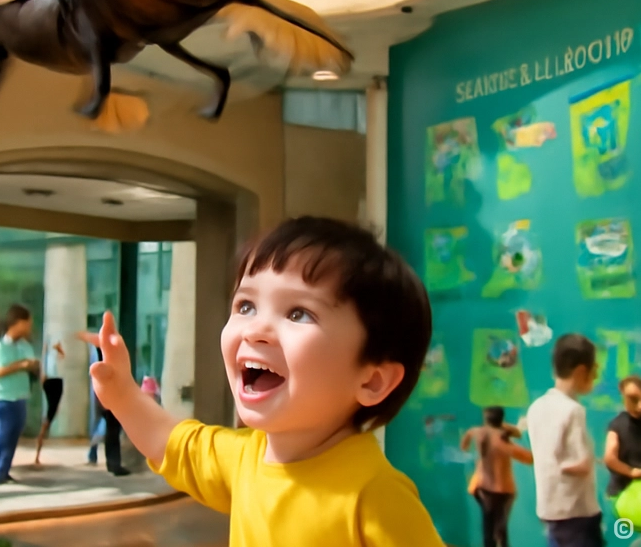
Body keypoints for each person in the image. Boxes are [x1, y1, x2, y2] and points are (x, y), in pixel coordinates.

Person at [84, 216, 445, 545]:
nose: (256, 329)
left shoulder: (375, 496)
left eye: (298, 313)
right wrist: (122, 393)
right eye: (245, 306)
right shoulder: (245, 457)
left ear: (373, 382)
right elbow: (170, 443)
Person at [526, 334, 603, 547]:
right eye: (593, 370)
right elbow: (582, 464)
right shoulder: (573, 410)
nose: (596, 376)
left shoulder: (536, 408)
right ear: (581, 371)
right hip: (578, 512)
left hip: (550, 511)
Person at [0, 304, 39, 484]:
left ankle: (4, 470)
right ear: (18, 323)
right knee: (3, 433)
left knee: (14, 434)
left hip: (21, 395)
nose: (29, 326)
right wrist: (19, 366)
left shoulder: (25, 346)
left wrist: (33, 366)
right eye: (27, 322)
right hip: (3, 397)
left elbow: (32, 365)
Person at [461, 406, 533, 547]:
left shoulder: (477, 432)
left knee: (489, 530)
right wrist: (509, 431)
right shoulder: (501, 442)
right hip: (501, 490)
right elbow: (529, 458)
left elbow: (465, 444)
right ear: (501, 420)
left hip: (481, 488)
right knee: (500, 532)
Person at [604, 376, 641, 506]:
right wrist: (631, 471)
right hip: (620, 495)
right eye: (633, 400)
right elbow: (610, 458)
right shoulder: (617, 425)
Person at [78, 333, 130, 476]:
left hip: (107, 397)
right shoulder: (105, 356)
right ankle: (113, 463)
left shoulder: (101, 355)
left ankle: (109, 461)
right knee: (111, 431)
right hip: (109, 397)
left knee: (108, 430)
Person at [33, 337, 66, 465]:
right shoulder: (51, 356)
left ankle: (38, 450)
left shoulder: (53, 356)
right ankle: (38, 448)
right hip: (54, 382)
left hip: (54, 381)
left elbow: (60, 356)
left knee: (52, 411)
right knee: (50, 414)